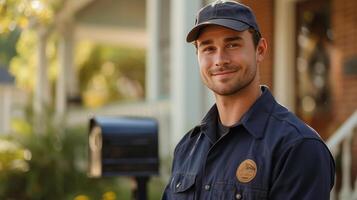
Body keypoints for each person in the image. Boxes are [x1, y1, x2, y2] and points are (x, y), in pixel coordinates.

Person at [162, 0, 335, 199]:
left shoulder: (297, 146)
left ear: (260, 50)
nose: (220, 59)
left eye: (232, 44)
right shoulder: (188, 147)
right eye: (208, 48)